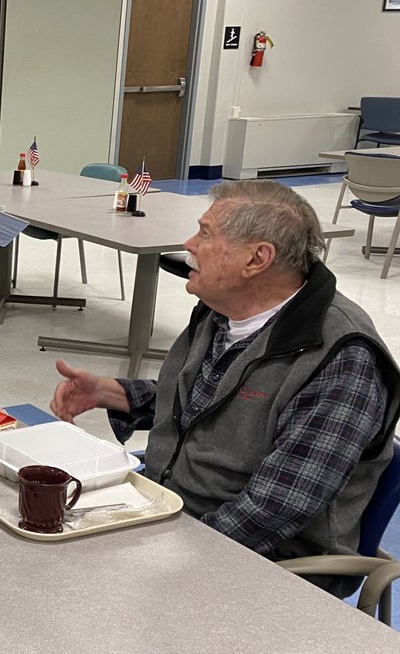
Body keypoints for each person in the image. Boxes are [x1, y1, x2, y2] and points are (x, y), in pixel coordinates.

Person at [50, 180, 400, 597]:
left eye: (206, 233)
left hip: (271, 567)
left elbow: (273, 509)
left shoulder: (343, 359)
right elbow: (218, 400)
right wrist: (116, 394)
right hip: (176, 516)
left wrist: (159, 553)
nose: (189, 243)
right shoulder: (226, 309)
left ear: (257, 259)